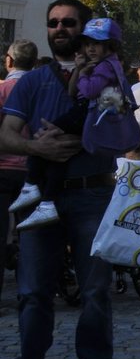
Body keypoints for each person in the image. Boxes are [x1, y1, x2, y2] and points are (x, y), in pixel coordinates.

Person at [0, 0, 116, 359]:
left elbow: (127, 137)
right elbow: (6, 134)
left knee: (96, 290)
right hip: (40, 195)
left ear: (84, 29)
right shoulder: (31, 82)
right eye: (53, 23)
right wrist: (36, 145)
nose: (59, 28)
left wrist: (89, 139)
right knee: (32, 292)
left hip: (92, 194)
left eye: (68, 22)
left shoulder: (108, 79)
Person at [12, 16, 127, 231]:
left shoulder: (108, 67)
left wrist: (83, 75)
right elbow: (72, 91)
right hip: (84, 112)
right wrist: (80, 71)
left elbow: (89, 91)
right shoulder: (97, 65)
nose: (91, 49)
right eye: (88, 44)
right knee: (51, 144)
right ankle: (38, 193)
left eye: (98, 44)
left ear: (110, 46)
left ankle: (35, 190)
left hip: (89, 114)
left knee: (48, 139)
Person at [0, 40, 39, 302]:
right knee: (32, 237)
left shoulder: (3, 89)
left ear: (9, 61)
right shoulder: (41, 89)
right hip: (33, 168)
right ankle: (31, 292)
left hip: (2, 169)